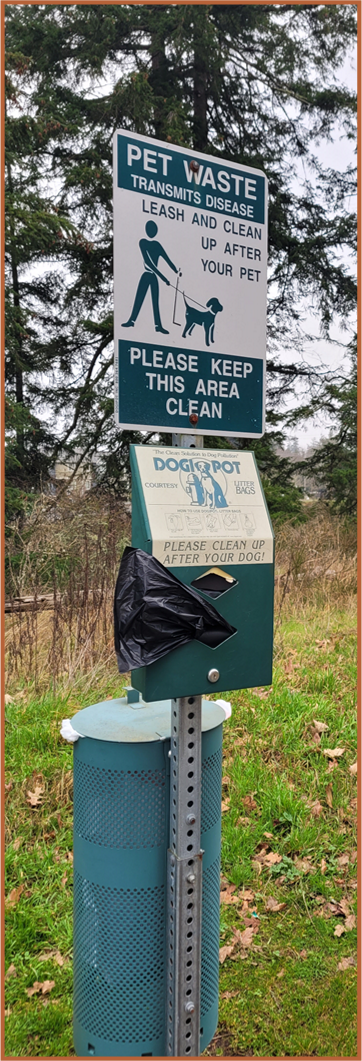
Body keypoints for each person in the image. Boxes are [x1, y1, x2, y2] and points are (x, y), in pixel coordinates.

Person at [122, 220, 180, 334]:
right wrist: (164, 278)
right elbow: (148, 263)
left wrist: (176, 271)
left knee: (155, 302)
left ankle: (158, 326)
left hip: (154, 278)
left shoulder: (157, 245)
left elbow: (167, 260)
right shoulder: (142, 242)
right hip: (147, 275)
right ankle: (131, 321)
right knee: (139, 298)